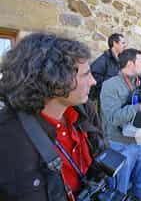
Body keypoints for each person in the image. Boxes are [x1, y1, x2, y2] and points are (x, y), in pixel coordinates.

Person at [0, 33, 106, 201]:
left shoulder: (84, 110)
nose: (93, 81)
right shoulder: (8, 137)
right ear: (55, 79)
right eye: (86, 74)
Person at [100, 48, 141, 200]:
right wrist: (140, 106)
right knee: (120, 190)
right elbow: (113, 118)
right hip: (121, 145)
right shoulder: (110, 85)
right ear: (131, 63)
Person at [90, 33, 127, 101]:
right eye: (123, 43)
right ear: (115, 43)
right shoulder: (104, 59)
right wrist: (112, 83)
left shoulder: (119, 60)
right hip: (102, 99)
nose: (125, 45)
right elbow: (94, 76)